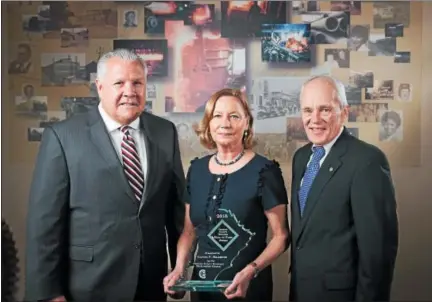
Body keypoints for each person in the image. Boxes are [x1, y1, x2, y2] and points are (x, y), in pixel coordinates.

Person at [24, 49, 186, 302]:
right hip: (87, 286)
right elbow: (44, 224)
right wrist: (47, 293)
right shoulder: (63, 137)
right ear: (100, 87)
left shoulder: (165, 132)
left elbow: (176, 211)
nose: (130, 91)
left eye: (137, 83)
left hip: (150, 284)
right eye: (119, 83)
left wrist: (180, 270)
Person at [163, 88, 290, 301]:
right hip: (202, 290)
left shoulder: (266, 171)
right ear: (209, 123)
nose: (225, 123)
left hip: (248, 289)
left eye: (234, 116)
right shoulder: (197, 170)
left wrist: (251, 271)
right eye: (217, 116)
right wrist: (179, 270)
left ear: (247, 123)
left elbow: (281, 236)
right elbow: (188, 232)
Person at [289, 75, 398, 301]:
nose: (314, 119)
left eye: (325, 110)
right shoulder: (301, 158)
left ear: (344, 112)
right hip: (302, 291)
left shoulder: (367, 161)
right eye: (307, 110)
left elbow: (377, 253)